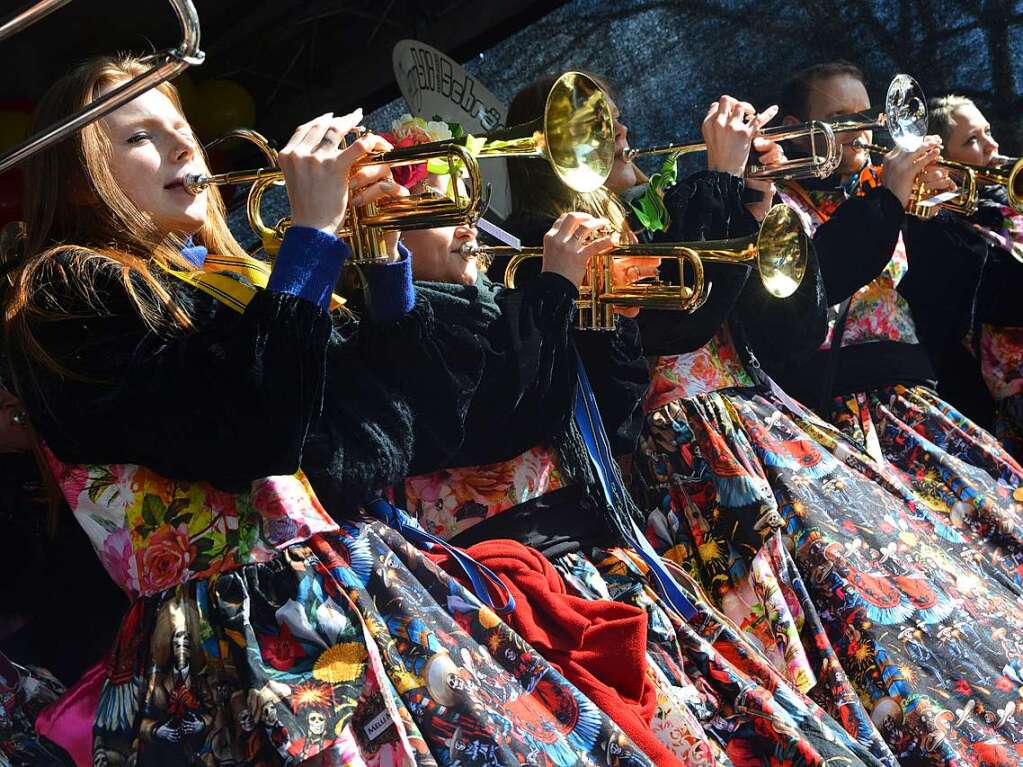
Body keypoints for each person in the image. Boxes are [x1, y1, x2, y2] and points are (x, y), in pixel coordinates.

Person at [2, 55, 660, 767]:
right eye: (138, 137)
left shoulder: (236, 278)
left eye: (180, 125)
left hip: (356, 582)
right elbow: (246, 432)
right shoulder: (64, 295)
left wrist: (380, 263)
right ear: (75, 174)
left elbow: (388, 443)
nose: (183, 146)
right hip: (247, 642)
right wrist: (310, 238)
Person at [402, 84, 891, 767]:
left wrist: (748, 196)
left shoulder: (595, 235)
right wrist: (717, 179)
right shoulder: (536, 251)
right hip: (634, 490)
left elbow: (709, 326)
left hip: (688, 455)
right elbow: (679, 327)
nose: (623, 130)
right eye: (596, 125)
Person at [900, 94, 1023, 460]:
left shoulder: (1008, 212)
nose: (992, 145)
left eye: (988, 131)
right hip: (996, 408)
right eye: (973, 140)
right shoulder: (940, 227)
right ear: (948, 163)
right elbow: (996, 299)